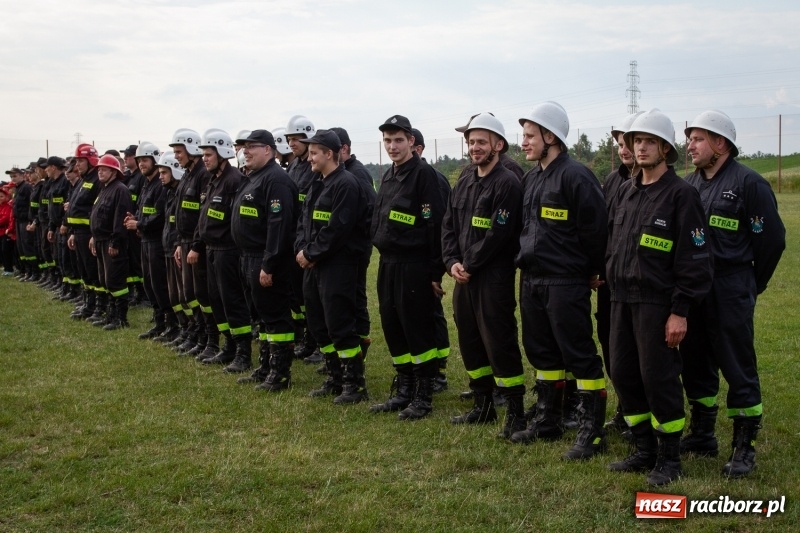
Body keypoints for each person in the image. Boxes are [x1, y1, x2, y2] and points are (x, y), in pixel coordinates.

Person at [606, 108, 713, 486]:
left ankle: (669, 458)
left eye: (650, 141)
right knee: (623, 374)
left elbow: (696, 260)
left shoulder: (681, 195)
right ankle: (643, 449)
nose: (641, 148)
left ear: (666, 148)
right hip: (621, 300)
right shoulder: (626, 191)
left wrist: (679, 311)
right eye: (637, 141)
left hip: (657, 303)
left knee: (659, 379)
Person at [680, 110, 785, 478]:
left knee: (737, 365)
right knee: (695, 362)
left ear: (720, 143)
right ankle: (702, 434)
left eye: (698, 139)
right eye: (690, 139)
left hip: (731, 286)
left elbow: (771, 241)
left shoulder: (749, 183)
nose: (690, 146)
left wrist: (752, 284)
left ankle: (744, 446)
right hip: (696, 289)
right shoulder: (690, 185)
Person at [510, 102, 609, 463]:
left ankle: (591, 430)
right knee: (542, 352)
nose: (523, 142)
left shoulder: (576, 176)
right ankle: (548, 420)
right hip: (532, 279)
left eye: (530, 135)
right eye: (523, 135)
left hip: (565, 281)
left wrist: (592, 270)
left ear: (550, 137)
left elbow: (596, 230)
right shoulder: (532, 178)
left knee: (579, 354)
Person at [442, 113, 527, 438]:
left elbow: (498, 234)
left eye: (481, 142)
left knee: (499, 341)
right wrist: (452, 261)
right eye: (471, 141)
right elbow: (448, 224)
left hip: (492, 277)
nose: (474, 147)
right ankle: (482, 405)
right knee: (470, 339)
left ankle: (515, 412)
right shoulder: (465, 179)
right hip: (464, 276)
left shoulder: (507, 183)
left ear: (498, 145)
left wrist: (469, 264)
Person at [369, 115, 445, 420]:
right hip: (388, 264)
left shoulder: (424, 175)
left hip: (414, 265)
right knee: (393, 327)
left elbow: (435, 225)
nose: (392, 146)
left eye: (398, 140)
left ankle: (423, 395)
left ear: (412, 142)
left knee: (417, 329)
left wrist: (435, 272)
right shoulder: (389, 175)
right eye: (387, 141)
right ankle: (404, 389)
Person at [296, 130, 371, 404]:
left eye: (314, 153)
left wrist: (312, 253)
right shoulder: (317, 183)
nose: (310, 158)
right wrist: (302, 249)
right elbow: (304, 222)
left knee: (340, 323)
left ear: (330, 154)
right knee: (318, 323)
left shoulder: (346, 184)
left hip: (338, 265)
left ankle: (354, 384)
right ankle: (334, 377)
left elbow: (338, 228)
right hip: (313, 265)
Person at [231, 130, 298, 390]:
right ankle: (266, 367)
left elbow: (279, 227)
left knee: (275, 315)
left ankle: (280, 374)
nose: (245, 151)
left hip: (265, 259)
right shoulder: (253, 177)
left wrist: (269, 264)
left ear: (268, 149)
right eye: (244, 147)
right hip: (247, 257)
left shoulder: (276, 180)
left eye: (252, 147)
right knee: (260, 316)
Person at [597, 112, 643, 436]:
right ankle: (625, 407)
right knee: (612, 347)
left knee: (640, 353)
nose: (623, 149)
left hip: (640, 285)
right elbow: (601, 230)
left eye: (628, 142)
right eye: (620, 143)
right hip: (609, 282)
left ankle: (641, 412)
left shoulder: (660, 187)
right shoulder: (612, 181)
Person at [192, 129, 250, 373]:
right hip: (211, 250)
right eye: (203, 155)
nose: (204, 159)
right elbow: (203, 217)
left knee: (232, 301)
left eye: (208, 154)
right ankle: (228, 346)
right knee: (217, 301)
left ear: (223, 152)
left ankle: (243, 353)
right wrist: (197, 245)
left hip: (228, 251)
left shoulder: (234, 180)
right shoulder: (212, 179)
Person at [410, 128, 452, 394]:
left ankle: (439, 370)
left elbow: (439, 223)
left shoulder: (433, 178)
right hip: (412, 263)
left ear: (419, 148)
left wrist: (436, 266)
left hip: (428, 259)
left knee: (432, 314)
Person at [170, 129, 216, 359]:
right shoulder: (187, 175)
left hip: (199, 245)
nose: (176, 156)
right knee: (189, 293)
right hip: (186, 242)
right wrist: (180, 243)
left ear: (191, 149)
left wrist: (196, 245)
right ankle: (198, 334)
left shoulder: (203, 176)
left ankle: (210, 339)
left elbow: (203, 216)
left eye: (179, 151)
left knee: (201, 294)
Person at [285, 115, 319, 361]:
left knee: (313, 297)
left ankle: (316, 341)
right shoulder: (294, 166)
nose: (291, 143)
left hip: (309, 240)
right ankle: (306, 338)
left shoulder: (313, 167)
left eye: (296, 138)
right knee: (299, 294)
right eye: (289, 139)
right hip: (294, 238)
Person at [89, 154, 134, 330]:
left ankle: (121, 318)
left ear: (114, 172)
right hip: (100, 241)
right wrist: (94, 237)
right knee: (105, 280)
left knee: (116, 281)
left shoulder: (120, 190)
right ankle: (110, 315)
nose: (100, 172)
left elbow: (119, 218)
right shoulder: (104, 189)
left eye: (104, 169)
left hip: (112, 242)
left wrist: (115, 242)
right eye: (99, 169)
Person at [66, 144, 103, 322]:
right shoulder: (83, 180)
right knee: (84, 271)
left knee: (93, 271)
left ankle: (99, 307)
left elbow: (98, 210)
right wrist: (73, 232)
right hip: (79, 233)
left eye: (81, 161)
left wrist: (94, 235)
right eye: (76, 161)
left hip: (89, 234)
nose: (77, 165)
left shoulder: (97, 181)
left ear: (90, 161)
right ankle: (88, 303)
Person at [121, 144, 147, 307]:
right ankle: (135, 293)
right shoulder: (127, 177)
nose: (125, 158)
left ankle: (144, 295)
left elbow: (141, 203)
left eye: (129, 155)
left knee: (138, 262)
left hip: (137, 225)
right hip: (128, 224)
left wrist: (137, 221)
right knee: (130, 261)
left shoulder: (141, 177)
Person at [8, 167, 35, 280]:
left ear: (22, 175)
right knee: (21, 248)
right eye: (11, 177)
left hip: (25, 221)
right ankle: (25, 271)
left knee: (28, 247)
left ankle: (34, 272)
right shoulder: (17, 189)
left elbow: (31, 205)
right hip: (18, 221)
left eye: (15, 176)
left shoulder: (27, 187)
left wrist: (31, 220)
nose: (13, 178)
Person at [0, 186, 15, 274]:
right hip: (1, 232)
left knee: (6, 250)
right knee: (2, 251)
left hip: (6, 233)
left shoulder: (8, 207)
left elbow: (5, 219)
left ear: (6, 197)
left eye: (1, 196)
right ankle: (6, 267)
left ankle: (9, 269)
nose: (0, 198)